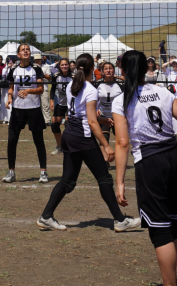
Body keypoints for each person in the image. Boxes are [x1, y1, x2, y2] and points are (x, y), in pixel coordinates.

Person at [113, 50, 177, 286]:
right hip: (173, 154)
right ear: (145, 69)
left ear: (123, 71)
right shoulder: (162, 91)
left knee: (159, 229)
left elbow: (121, 142)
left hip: (151, 161)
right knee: (170, 220)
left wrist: (119, 182)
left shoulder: (123, 100)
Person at [37, 53, 140, 232]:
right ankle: (120, 220)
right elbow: (91, 121)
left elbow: (79, 114)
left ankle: (46, 216)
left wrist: (103, 121)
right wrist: (106, 146)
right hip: (82, 138)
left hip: (69, 134)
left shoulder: (71, 85)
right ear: (93, 69)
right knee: (104, 178)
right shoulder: (90, 89)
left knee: (68, 181)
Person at [3, 43, 48, 183]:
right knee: (12, 140)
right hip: (17, 109)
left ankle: (43, 172)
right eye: (23, 50)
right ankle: (11, 172)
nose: (26, 51)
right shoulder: (14, 69)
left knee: (38, 141)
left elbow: (41, 89)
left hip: (33, 108)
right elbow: (11, 88)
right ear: (18, 55)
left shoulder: (36, 69)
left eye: (27, 49)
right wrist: (10, 97)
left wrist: (28, 91)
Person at [49, 59, 72, 155]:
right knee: (54, 124)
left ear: (69, 65)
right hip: (61, 103)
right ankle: (59, 146)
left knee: (68, 125)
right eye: (62, 65)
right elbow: (53, 89)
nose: (64, 66)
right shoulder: (56, 76)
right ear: (59, 66)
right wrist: (51, 101)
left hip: (71, 104)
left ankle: (71, 147)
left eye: (66, 64)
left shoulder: (73, 76)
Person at [95, 61, 122, 146]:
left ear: (114, 70)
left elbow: (127, 99)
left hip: (117, 115)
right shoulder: (98, 83)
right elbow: (93, 98)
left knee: (120, 140)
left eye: (110, 68)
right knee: (104, 139)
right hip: (103, 115)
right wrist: (96, 109)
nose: (108, 70)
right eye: (106, 69)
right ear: (102, 72)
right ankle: (104, 159)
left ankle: (119, 158)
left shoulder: (121, 83)